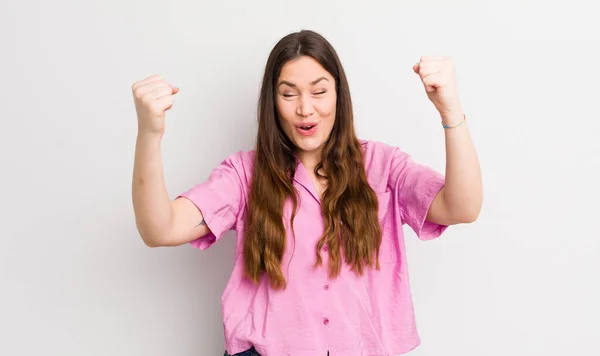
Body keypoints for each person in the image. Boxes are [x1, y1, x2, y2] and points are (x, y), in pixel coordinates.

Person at [131, 30, 482, 356]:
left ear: (338, 95)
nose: (305, 108)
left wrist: (449, 110)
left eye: (318, 91)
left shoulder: (382, 165)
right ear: (273, 101)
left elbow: (461, 207)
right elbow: (161, 229)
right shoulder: (243, 175)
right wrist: (150, 133)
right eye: (288, 94)